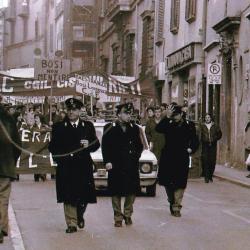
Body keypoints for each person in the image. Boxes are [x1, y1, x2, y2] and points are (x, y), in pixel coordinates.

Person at [48, 98, 100, 233]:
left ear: (79, 110)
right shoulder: (59, 126)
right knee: (68, 195)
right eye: (69, 109)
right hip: (67, 167)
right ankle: (71, 223)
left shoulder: (88, 126)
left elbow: (96, 144)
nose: (71, 112)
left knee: (83, 196)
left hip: (83, 166)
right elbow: (52, 147)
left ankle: (79, 215)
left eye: (74, 110)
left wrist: (89, 144)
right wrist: (60, 157)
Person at [102, 103, 143, 227]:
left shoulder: (135, 128)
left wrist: (135, 157)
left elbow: (139, 146)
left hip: (130, 164)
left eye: (130, 113)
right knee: (116, 192)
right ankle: (118, 217)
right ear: (119, 114)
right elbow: (105, 146)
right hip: (116, 165)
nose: (128, 115)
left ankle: (128, 214)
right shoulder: (110, 127)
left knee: (131, 191)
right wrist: (107, 161)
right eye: (126, 113)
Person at [155, 105, 199, 217]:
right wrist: (167, 116)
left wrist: (191, 148)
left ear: (181, 114)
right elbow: (158, 128)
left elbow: (195, 140)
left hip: (181, 157)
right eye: (173, 115)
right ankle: (172, 200)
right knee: (168, 183)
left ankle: (177, 207)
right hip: (168, 157)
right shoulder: (168, 123)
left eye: (176, 115)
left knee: (180, 183)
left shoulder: (189, 125)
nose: (175, 117)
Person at [0, 102, 22, 243]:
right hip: (6, 166)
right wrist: (11, 162)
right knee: (3, 198)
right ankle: (2, 226)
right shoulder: (9, 120)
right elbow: (17, 146)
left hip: (6, 165)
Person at [200, 114, 222, 183]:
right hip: (205, 145)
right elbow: (200, 135)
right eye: (206, 117)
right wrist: (202, 139)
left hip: (213, 145)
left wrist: (215, 138)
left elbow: (220, 134)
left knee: (212, 161)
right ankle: (206, 177)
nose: (207, 118)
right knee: (205, 160)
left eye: (208, 117)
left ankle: (210, 176)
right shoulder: (202, 126)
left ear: (211, 118)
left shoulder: (215, 125)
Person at [33, 114, 47, 182]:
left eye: (37, 118)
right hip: (35, 147)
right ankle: (36, 175)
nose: (35, 120)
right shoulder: (32, 126)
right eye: (35, 118)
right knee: (36, 160)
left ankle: (43, 174)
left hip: (43, 147)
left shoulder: (45, 126)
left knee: (43, 161)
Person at [245, 110, 250, 177]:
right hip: (247, 144)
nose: (249, 117)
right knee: (248, 160)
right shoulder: (248, 124)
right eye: (248, 115)